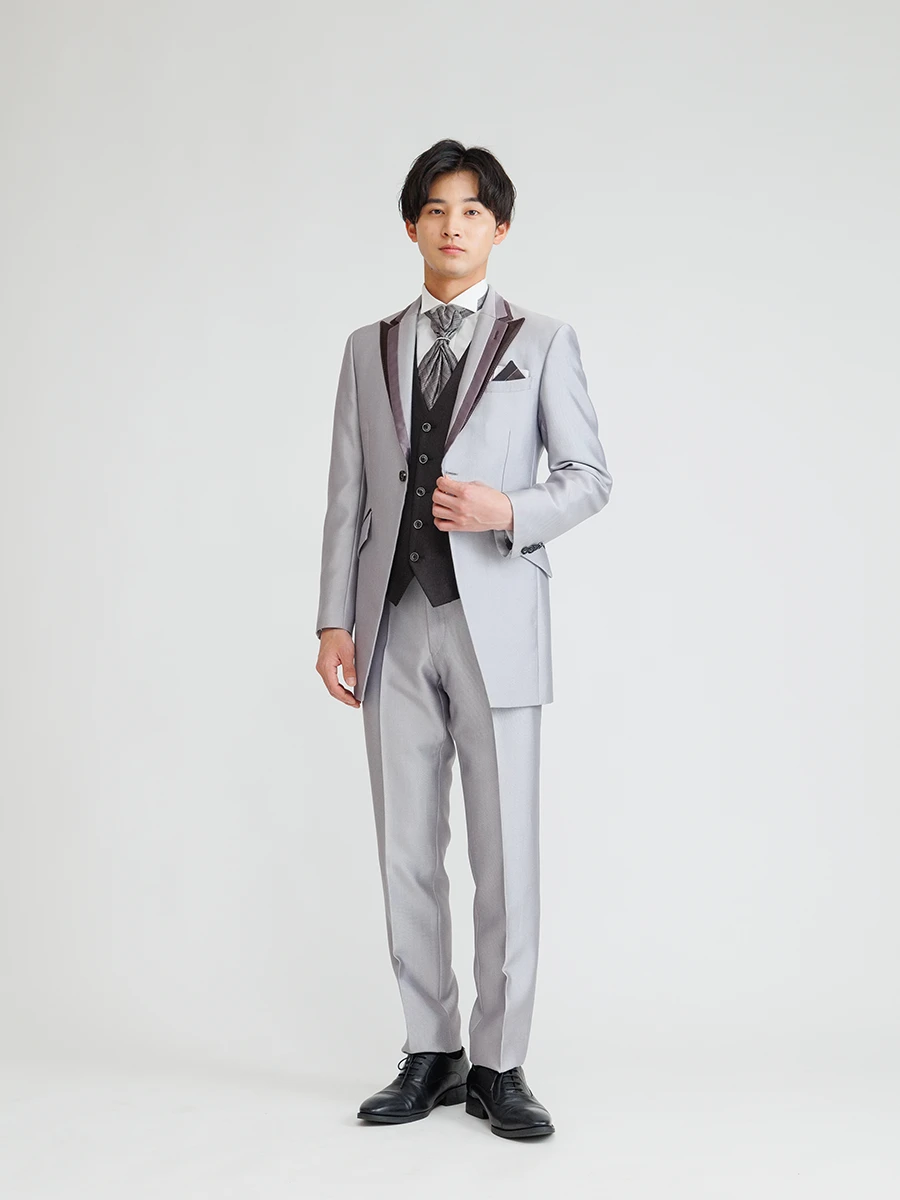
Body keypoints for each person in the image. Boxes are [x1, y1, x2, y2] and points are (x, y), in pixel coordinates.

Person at [315, 138, 612, 1139]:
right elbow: (349, 494)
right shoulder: (368, 347)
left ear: (500, 227)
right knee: (406, 847)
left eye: (472, 211)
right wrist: (334, 619)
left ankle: (501, 1062)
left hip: (498, 627)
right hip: (394, 621)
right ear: (412, 225)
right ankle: (431, 1047)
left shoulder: (545, 340)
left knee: (503, 850)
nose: (453, 226)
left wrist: (507, 510)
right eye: (436, 210)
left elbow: (589, 478)